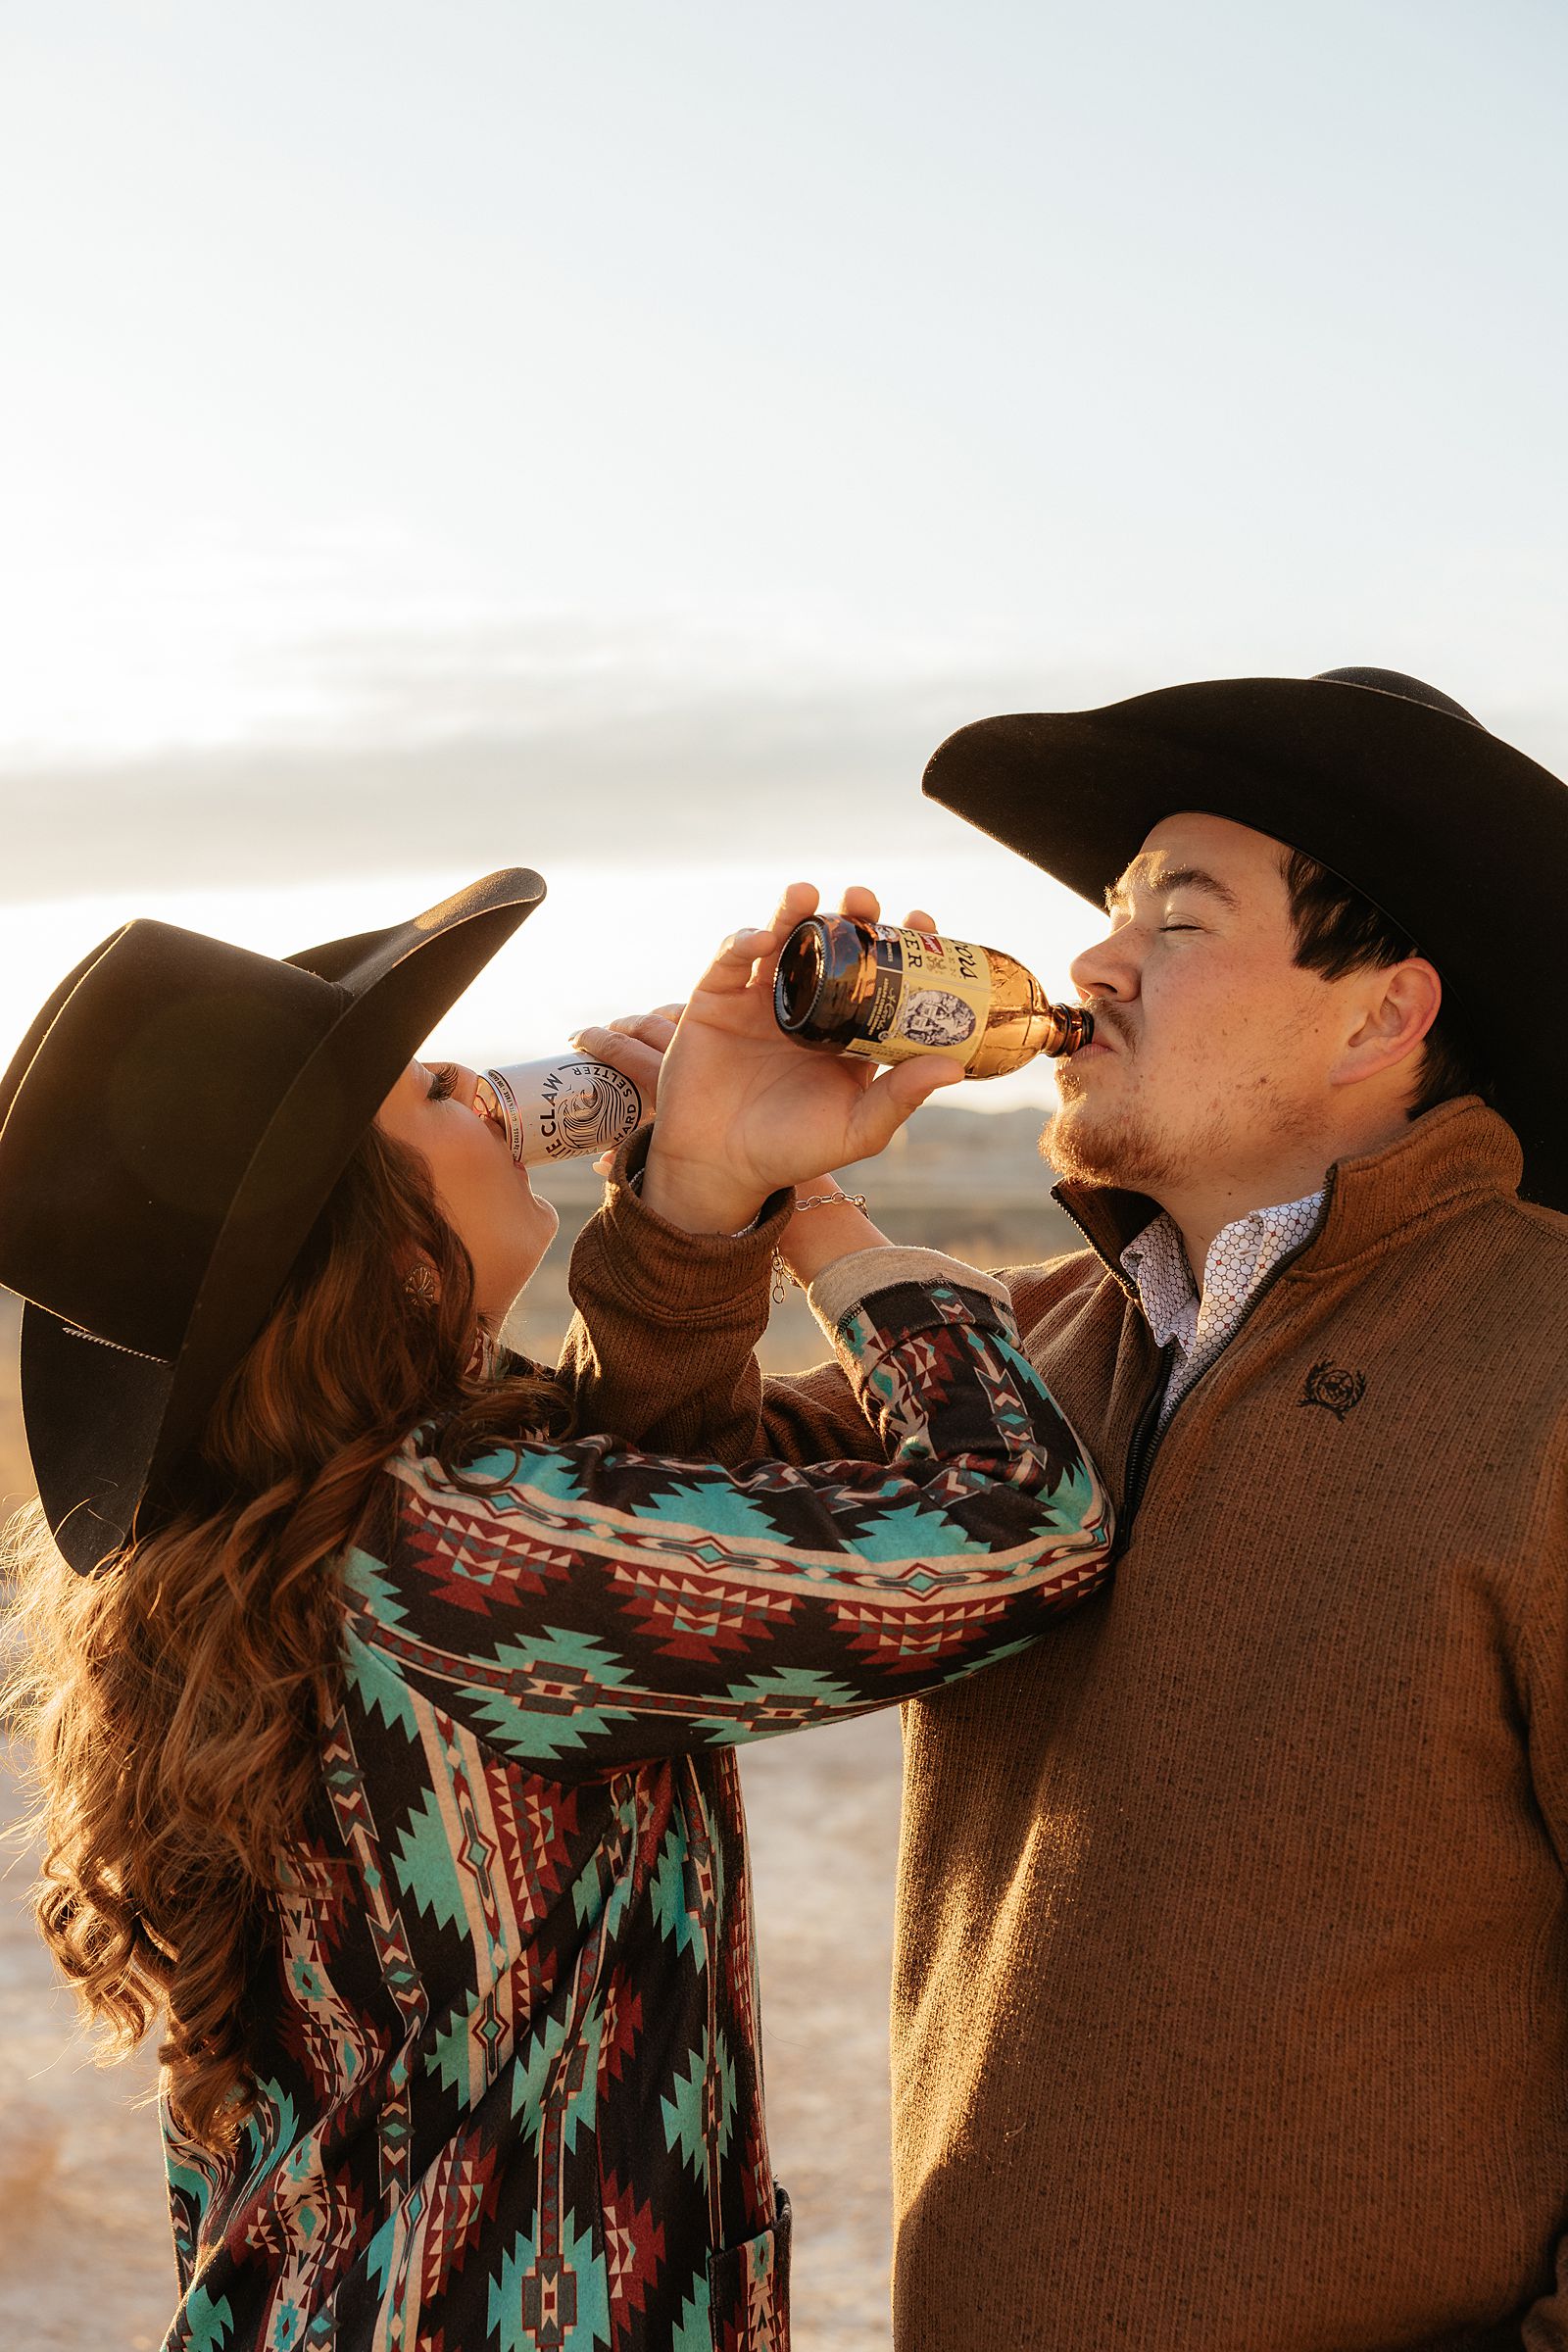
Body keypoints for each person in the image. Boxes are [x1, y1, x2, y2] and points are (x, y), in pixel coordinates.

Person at [564, 668, 1568, 2352]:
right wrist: (709, 1200)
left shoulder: (1544, 1364)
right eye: (1107, 912)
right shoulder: (1014, 1356)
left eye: (1181, 917)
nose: (1093, 964)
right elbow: (651, 1563)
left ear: (1381, 1017)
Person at [0, 870, 1114, 2352]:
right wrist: (820, 1219)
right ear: (386, 1249)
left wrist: (700, 1197)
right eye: (430, 1091)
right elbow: (1022, 1527)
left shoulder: (277, 1547)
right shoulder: (454, 1551)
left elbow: (675, 1488)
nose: (489, 1082)